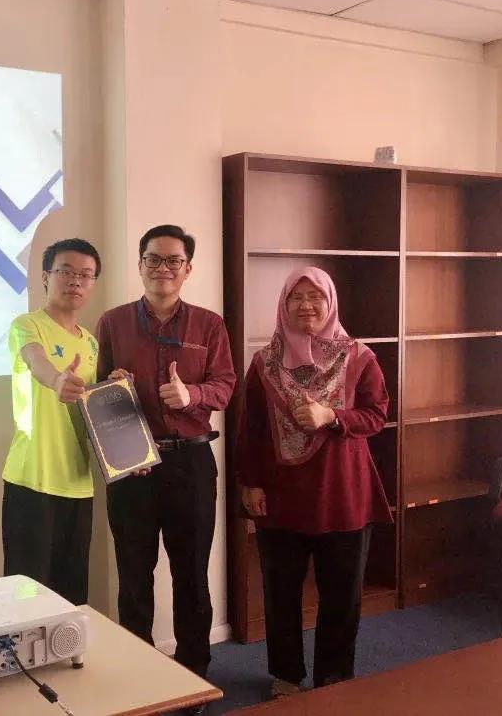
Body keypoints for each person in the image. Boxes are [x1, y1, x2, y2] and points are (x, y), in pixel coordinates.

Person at [236, 266, 393, 698]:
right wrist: (249, 483)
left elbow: (376, 415)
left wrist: (332, 417)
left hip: (342, 494)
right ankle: (286, 675)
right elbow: (250, 429)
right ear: (283, 305)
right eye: (296, 297)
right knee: (280, 593)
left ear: (331, 302)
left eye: (316, 297)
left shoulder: (358, 357)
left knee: (342, 594)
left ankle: (333, 678)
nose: (306, 305)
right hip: (280, 495)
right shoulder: (263, 363)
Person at [96, 225, 235, 685]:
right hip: (132, 465)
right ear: (140, 265)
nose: (163, 268)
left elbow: (225, 385)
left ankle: (193, 675)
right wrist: (111, 387)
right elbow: (96, 397)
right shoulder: (112, 322)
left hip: (190, 464)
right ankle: (139, 676)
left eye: (173, 260)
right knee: (134, 576)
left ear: (188, 269)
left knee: (191, 574)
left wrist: (192, 394)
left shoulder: (209, 324)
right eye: (153, 259)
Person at [1, 237, 102, 605]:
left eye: (86, 275)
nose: (76, 281)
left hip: (78, 483)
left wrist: (116, 386)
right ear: (46, 277)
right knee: (27, 596)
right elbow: (36, 361)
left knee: (72, 595)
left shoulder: (91, 343)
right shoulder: (27, 325)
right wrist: (57, 379)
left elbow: (94, 409)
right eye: (66, 271)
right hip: (33, 478)